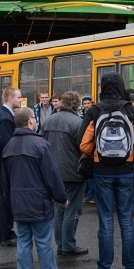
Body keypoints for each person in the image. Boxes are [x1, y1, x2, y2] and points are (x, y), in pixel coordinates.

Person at [79, 72, 134, 269]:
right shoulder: (130, 109)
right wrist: (129, 159)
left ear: (101, 88)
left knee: (106, 221)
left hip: (102, 173)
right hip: (126, 172)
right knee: (126, 220)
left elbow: (83, 144)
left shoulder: (94, 110)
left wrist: (97, 156)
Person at [2, 107, 68, 269]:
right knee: (44, 242)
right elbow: (52, 175)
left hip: (18, 203)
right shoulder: (41, 145)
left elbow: (4, 180)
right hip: (39, 202)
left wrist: (10, 203)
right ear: (31, 121)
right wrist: (61, 197)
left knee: (23, 242)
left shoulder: (9, 146)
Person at [43, 91, 89, 257]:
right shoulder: (78, 122)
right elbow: (84, 148)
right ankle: (68, 245)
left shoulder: (48, 121)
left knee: (58, 209)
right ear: (76, 105)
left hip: (53, 172)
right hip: (73, 172)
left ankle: (61, 244)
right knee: (72, 210)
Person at [0, 86, 21, 247]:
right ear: (10, 98)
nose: (20, 100)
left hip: (2, 161)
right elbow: (6, 144)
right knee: (6, 199)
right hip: (5, 162)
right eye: (18, 97)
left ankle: (2, 233)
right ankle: (6, 234)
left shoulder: (4, 115)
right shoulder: (5, 118)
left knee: (3, 197)